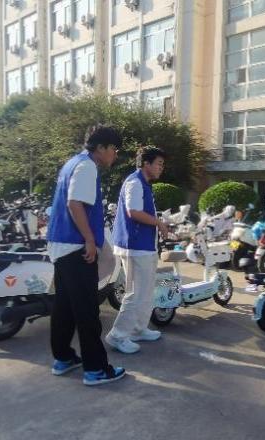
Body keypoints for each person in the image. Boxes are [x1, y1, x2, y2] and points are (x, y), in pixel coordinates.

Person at [47, 124, 126, 386]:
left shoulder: (72, 163)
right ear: (101, 147)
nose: (115, 154)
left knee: (65, 307)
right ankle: (96, 369)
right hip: (75, 246)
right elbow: (74, 203)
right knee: (87, 311)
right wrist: (90, 239)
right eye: (114, 149)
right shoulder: (87, 166)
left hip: (60, 245)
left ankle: (63, 358)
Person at [105, 146, 169, 354]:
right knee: (135, 293)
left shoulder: (144, 183)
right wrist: (159, 223)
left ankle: (138, 329)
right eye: (159, 164)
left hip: (145, 246)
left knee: (146, 291)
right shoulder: (134, 182)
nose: (161, 168)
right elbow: (133, 212)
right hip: (134, 247)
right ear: (146, 163)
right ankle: (117, 336)